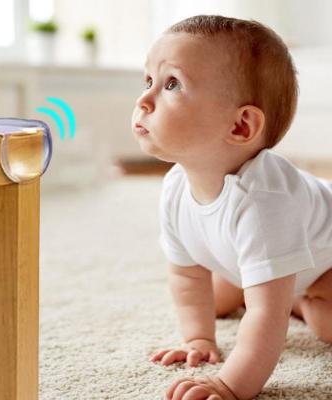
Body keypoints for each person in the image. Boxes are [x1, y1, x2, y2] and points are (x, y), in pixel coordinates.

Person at [131, 15, 332, 400]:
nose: (144, 99)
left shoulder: (265, 203)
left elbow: (265, 321)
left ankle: (295, 297)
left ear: (240, 126)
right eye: (148, 81)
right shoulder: (175, 185)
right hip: (254, 254)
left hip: (325, 262)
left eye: (172, 83)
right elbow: (187, 275)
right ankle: (276, 282)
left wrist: (228, 384)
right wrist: (198, 338)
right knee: (217, 299)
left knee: (323, 322)